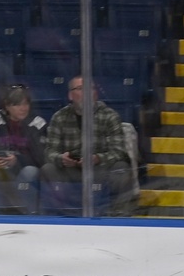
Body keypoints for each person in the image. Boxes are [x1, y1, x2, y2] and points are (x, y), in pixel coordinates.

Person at [41, 75, 136, 216]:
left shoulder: (109, 115)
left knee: (121, 168)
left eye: (90, 88)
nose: (86, 92)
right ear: (70, 95)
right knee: (47, 169)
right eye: (80, 89)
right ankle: (61, 215)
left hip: (99, 170)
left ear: (96, 94)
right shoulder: (59, 117)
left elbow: (119, 151)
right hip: (71, 170)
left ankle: (118, 216)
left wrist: (98, 158)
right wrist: (61, 158)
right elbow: (49, 151)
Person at [0, 84, 47, 214]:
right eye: (17, 105)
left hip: (24, 168)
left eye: (26, 104)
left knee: (30, 172)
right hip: (0, 167)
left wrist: (18, 160)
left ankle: (21, 211)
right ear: (7, 106)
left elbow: (41, 156)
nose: (23, 108)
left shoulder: (38, 123)